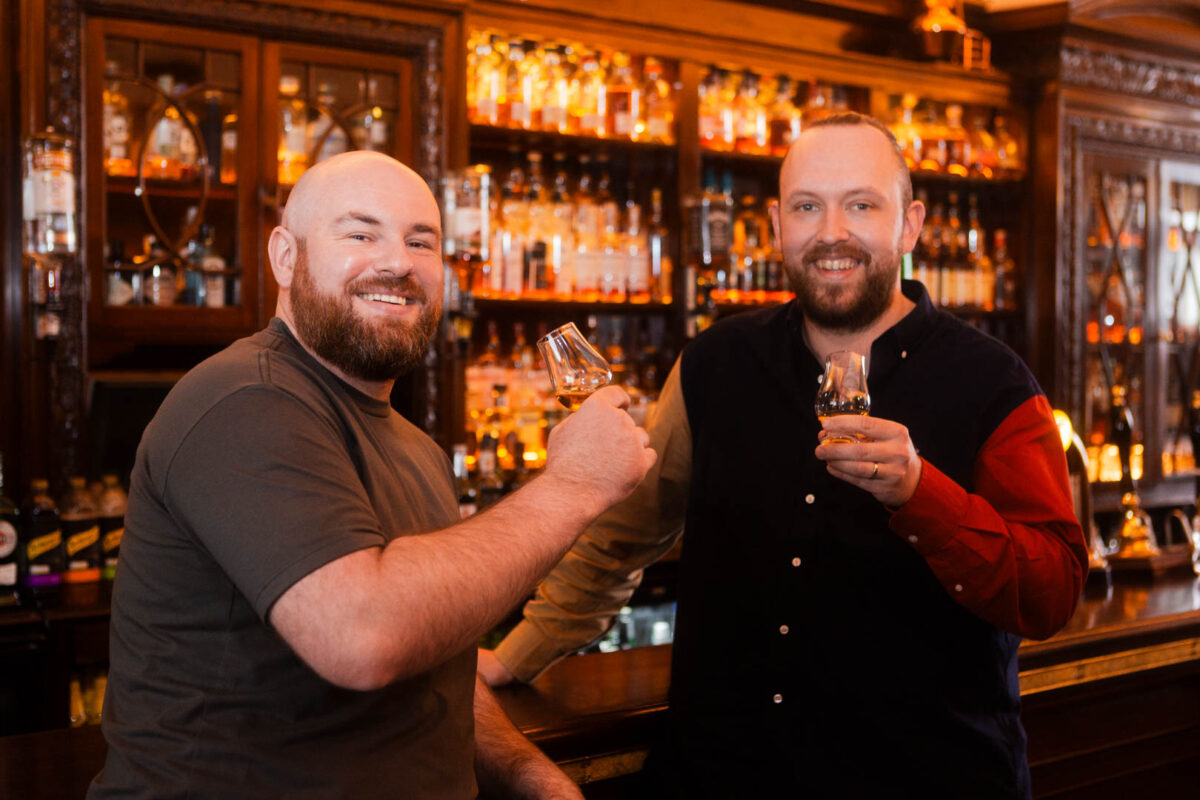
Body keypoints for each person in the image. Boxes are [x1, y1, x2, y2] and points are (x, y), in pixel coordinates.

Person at [480, 113, 1089, 798]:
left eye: (861, 204)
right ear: (776, 228)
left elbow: (1052, 593)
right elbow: (621, 539)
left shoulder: (995, 383)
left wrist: (923, 493)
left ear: (910, 225)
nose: (832, 231)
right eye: (808, 206)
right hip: (722, 779)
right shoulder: (714, 364)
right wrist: (514, 658)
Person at [88, 151, 657, 800]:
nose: (397, 262)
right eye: (360, 234)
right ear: (285, 256)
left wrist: (529, 775)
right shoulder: (242, 399)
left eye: (422, 242)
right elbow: (364, 637)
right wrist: (574, 486)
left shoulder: (415, 449)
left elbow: (437, 664)